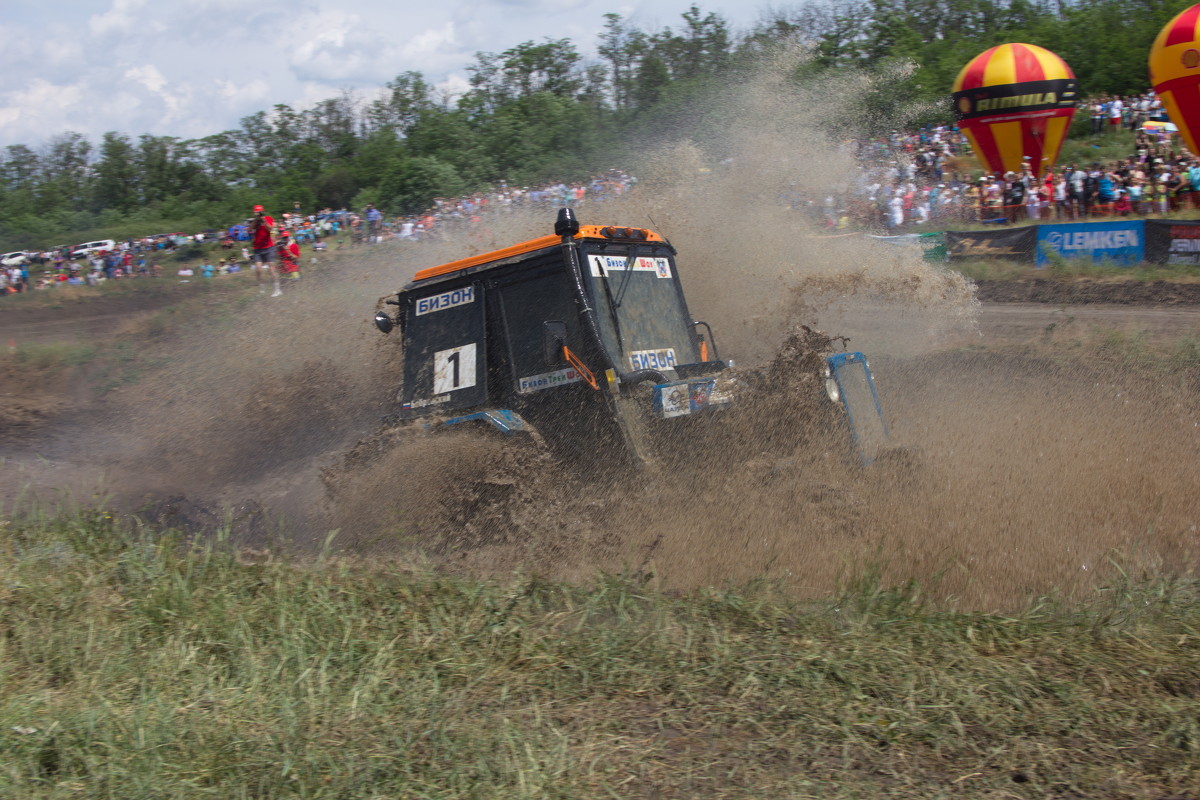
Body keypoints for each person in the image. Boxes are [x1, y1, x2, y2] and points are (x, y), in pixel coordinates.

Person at [250, 204, 281, 297]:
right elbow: (250, 229)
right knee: (258, 269)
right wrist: (256, 220)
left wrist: (264, 221)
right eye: (256, 212)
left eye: (259, 212)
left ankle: (277, 289)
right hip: (257, 248)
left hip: (269, 246)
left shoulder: (268, 218)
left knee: (271, 268)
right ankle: (262, 290)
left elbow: (270, 229)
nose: (258, 214)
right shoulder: (254, 221)